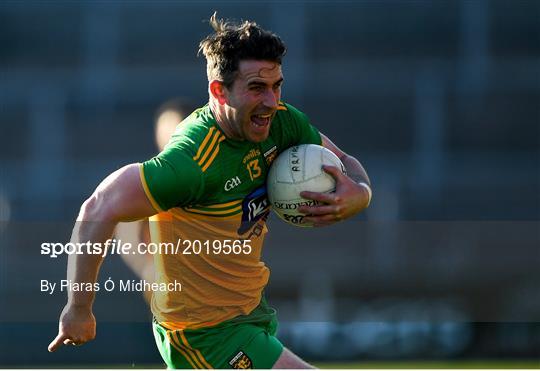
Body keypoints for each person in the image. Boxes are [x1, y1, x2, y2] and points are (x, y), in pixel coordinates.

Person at [48, 13, 372, 369]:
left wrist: (360, 192)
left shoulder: (281, 122)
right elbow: (97, 208)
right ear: (219, 90)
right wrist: (78, 307)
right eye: (256, 88)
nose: (271, 101)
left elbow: (343, 160)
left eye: (277, 85)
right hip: (203, 334)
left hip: (248, 315)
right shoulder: (191, 162)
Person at [115, 98, 194, 303]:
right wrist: (149, 268)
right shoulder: (148, 179)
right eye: (166, 131)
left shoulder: (215, 174)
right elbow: (126, 231)